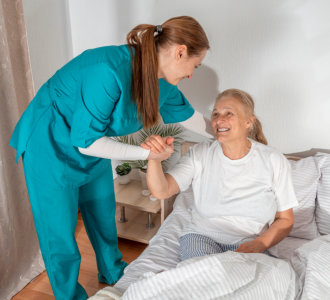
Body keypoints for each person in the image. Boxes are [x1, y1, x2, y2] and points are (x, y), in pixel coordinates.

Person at [9, 16, 212, 300]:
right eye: (196, 65)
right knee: (59, 233)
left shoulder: (163, 82)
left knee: (103, 212)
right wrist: (147, 153)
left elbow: (191, 118)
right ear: (180, 52)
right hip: (49, 143)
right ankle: (68, 295)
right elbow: (87, 142)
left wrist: (242, 136)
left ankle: (114, 272)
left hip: (90, 142)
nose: (192, 74)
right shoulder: (108, 70)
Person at [143, 88, 298, 261]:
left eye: (228, 113)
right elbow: (161, 191)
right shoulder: (200, 153)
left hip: (250, 241)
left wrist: (261, 243)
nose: (219, 120)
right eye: (215, 114)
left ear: (249, 122)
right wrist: (154, 159)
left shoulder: (273, 160)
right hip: (201, 236)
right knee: (203, 275)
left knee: (262, 282)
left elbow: (285, 219)